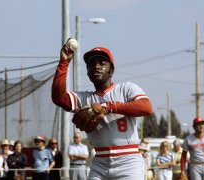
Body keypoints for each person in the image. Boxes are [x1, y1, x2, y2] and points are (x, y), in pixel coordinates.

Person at [52, 42, 153, 179]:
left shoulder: (126, 89)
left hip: (128, 161)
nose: (96, 66)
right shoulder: (85, 98)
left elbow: (146, 107)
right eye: (92, 64)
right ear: (87, 72)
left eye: (102, 63)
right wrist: (64, 62)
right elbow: (59, 98)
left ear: (111, 70)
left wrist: (108, 107)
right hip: (100, 162)